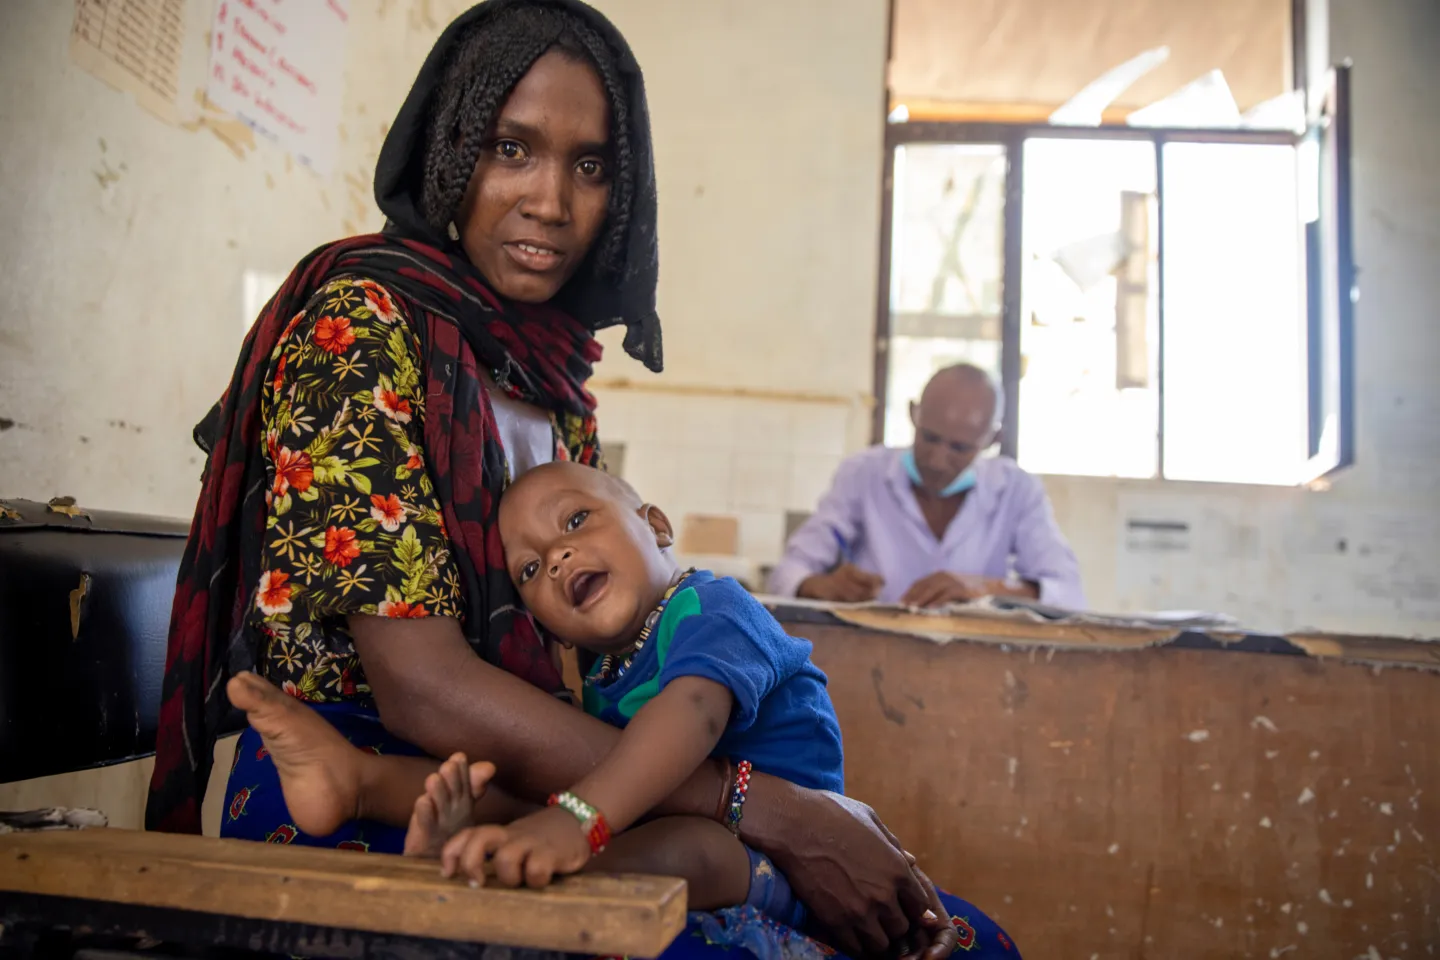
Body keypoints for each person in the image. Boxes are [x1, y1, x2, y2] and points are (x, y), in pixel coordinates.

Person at [146, 3, 1016, 958]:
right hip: (376, 795)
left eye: (590, 165)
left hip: (550, 793)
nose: (552, 202)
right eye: (510, 148)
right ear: (451, 152)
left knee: (973, 939)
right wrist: (765, 809)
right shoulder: (362, 329)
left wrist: (741, 816)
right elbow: (424, 693)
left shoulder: (548, 373)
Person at [224, 462, 877, 943]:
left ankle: (514, 876)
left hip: (776, 861)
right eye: (530, 570)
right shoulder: (599, 663)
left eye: (575, 521)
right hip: (657, 819)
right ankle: (358, 783)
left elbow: (693, 716)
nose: (558, 556)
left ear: (655, 525)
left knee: (690, 846)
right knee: (509, 786)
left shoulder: (715, 608)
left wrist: (577, 821)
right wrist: (565, 812)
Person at [769, 364, 1084, 609]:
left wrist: (984, 588)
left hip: (979, 667)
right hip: (873, 656)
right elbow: (787, 573)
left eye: (959, 448)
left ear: (992, 440)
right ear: (912, 414)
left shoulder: (1018, 490)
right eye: (929, 438)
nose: (937, 459)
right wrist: (817, 585)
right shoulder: (862, 474)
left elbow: (1068, 594)